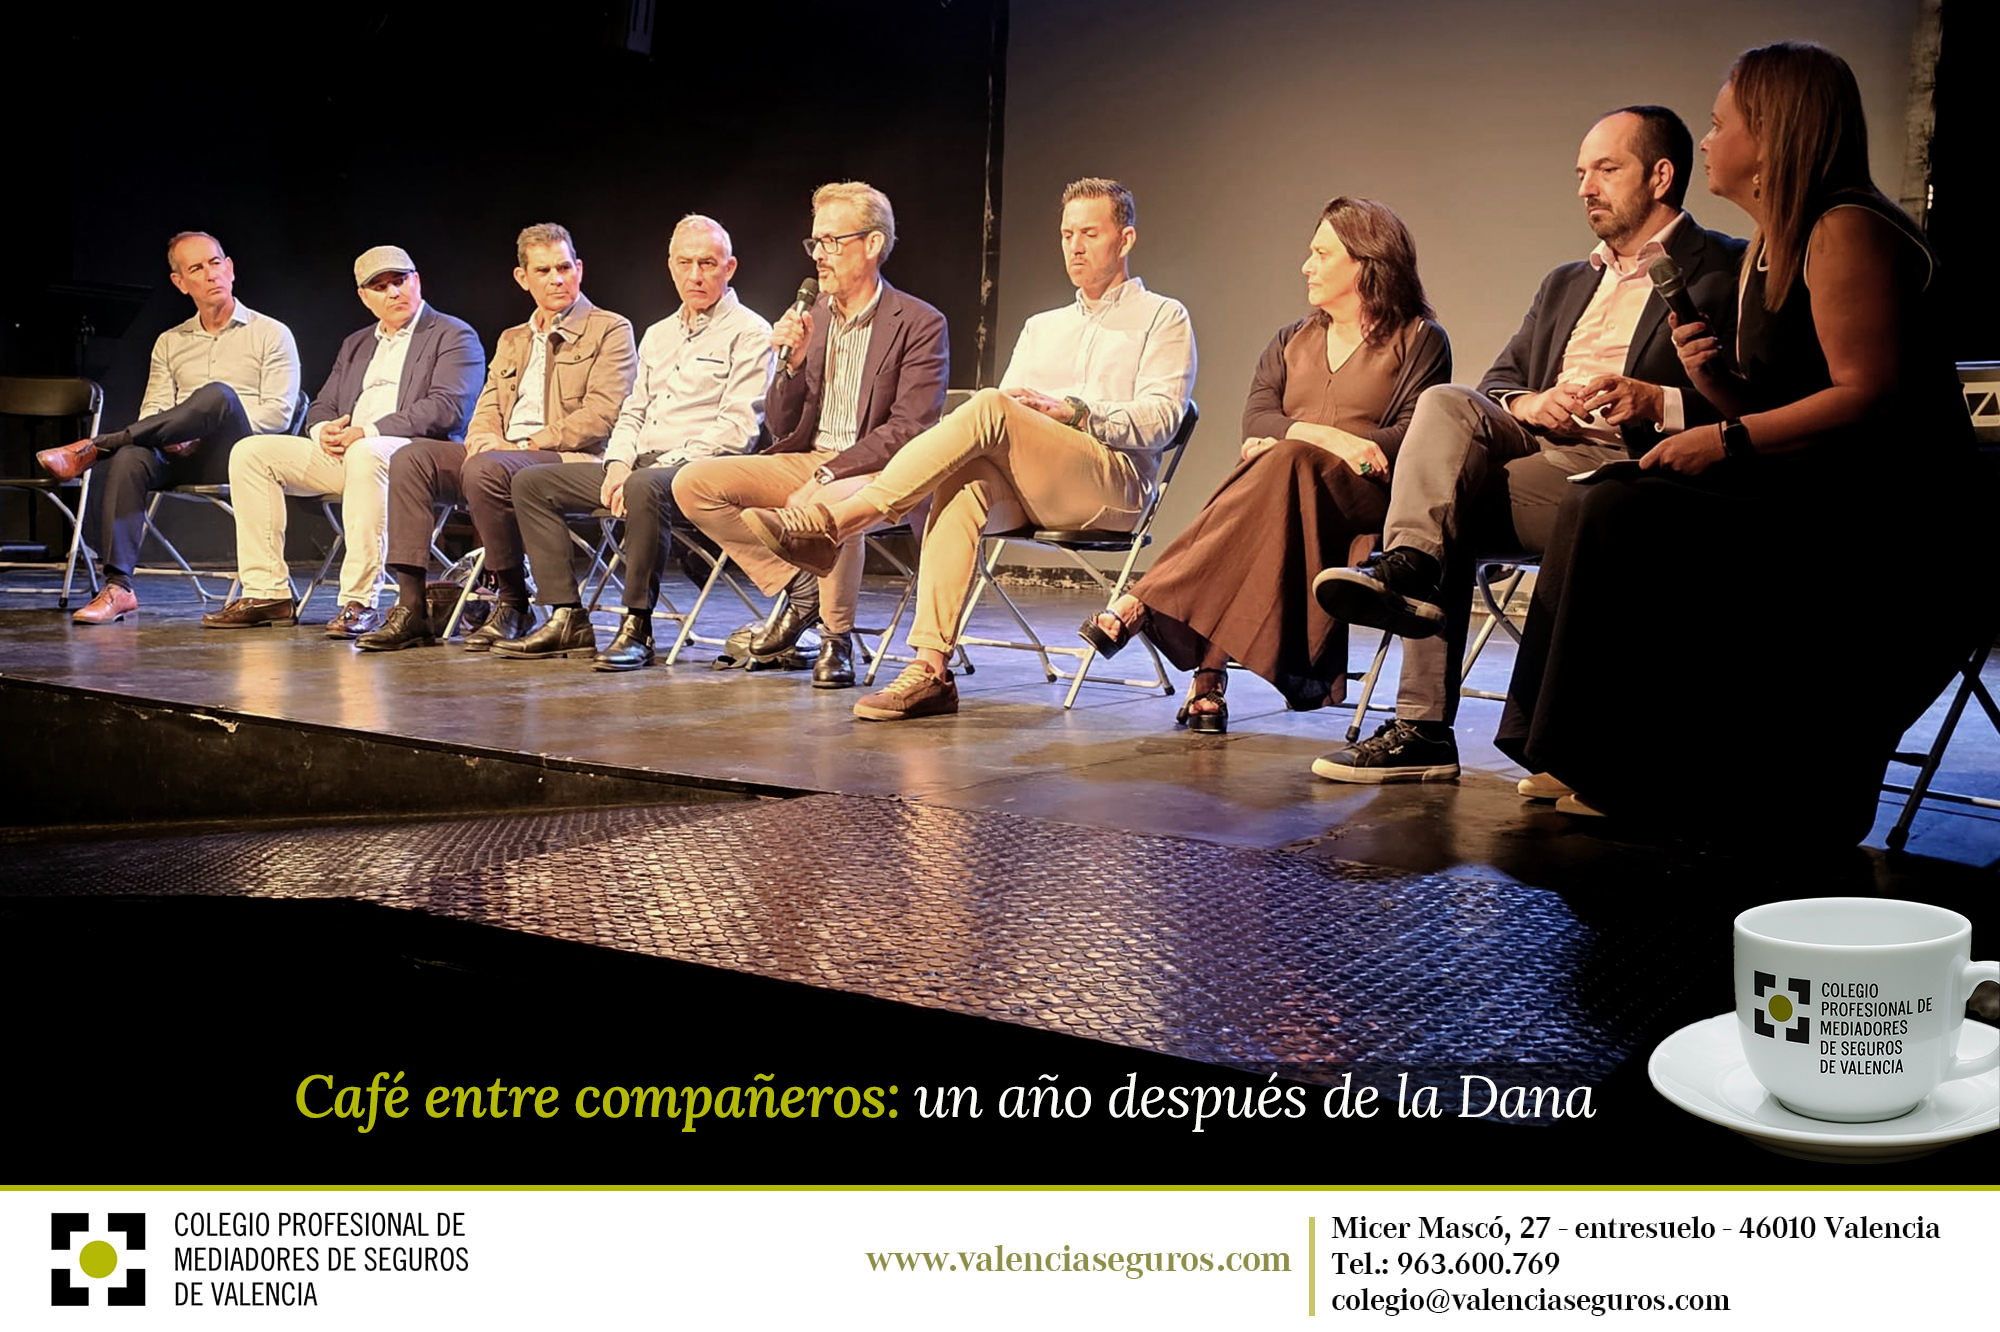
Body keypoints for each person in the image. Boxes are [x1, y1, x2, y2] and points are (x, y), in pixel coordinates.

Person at [1493, 42, 1998, 840]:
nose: (1708, 139)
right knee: (1607, 499)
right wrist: (1719, 381)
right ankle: (1583, 751)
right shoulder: (1773, 243)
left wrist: (1724, 439)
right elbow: (1790, 401)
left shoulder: (1846, 228)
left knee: (1622, 511)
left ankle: (1617, 760)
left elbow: (1868, 397)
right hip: (1811, 492)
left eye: (1720, 123)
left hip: (1890, 525)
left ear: (1771, 136)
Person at [1310, 107, 1744, 783]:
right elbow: (1499, 382)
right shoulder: (1567, 281)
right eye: (1580, 173)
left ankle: (1427, 711)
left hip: (1633, 470)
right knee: (1445, 405)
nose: (1585, 187)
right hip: (1541, 450)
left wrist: (1655, 401)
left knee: (1446, 510)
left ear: (1660, 176)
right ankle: (1410, 578)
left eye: (1606, 169)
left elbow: (1754, 401)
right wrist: (1533, 403)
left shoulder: (1726, 269)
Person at [738, 177, 1196, 721]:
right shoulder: (1043, 326)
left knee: (989, 405)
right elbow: (1007, 425)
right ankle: (930, 670)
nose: (1074, 246)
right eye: (1066, 234)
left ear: (1125, 239)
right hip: (1037, 486)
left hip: (1112, 487)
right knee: (964, 484)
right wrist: (1027, 416)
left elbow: (1164, 419)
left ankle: (838, 522)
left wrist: (1075, 411)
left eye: (1089, 234)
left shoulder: (1163, 316)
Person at [1077, 197, 1449, 733]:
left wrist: (1301, 442)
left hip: (1363, 500)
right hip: (1285, 495)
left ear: (1365, 261)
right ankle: (1203, 673)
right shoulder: (1290, 340)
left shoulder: (1418, 339)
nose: (1307, 266)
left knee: (1279, 462)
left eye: (1322, 254)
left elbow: (1412, 436)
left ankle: (1148, 609)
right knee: (1277, 475)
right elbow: (1256, 420)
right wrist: (1325, 437)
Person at [670, 182, 948, 688]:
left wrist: (828, 473)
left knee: (828, 505)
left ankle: (835, 638)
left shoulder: (919, 322)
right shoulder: (813, 315)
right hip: (809, 459)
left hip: (882, 472)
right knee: (693, 483)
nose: (819, 254)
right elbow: (780, 425)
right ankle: (800, 587)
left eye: (832, 241)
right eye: (815, 242)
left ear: (873, 244)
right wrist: (792, 367)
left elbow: (910, 428)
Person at [496, 216, 773, 670]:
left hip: (700, 471)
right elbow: (633, 412)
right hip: (639, 467)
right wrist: (618, 464)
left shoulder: (751, 332)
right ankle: (566, 616)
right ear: (671, 266)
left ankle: (637, 626)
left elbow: (737, 430)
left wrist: (658, 466)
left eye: (707, 263)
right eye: (685, 263)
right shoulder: (658, 334)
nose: (695, 275)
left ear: (730, 268)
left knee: (646, 487)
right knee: (532, 484)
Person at [356, 223, 637, 652]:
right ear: (523, 278)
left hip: (568, 458)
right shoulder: (512, 339)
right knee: (412, 458)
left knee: (488, 468)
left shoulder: (610, 329)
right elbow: (486, 406)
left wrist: (523, 445)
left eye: (564, 268)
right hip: (501, 458)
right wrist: (483, 438)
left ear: (579, 269)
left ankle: (514, 602)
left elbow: (603, 415)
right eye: (543, 271)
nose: (556, 279)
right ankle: (411, 608)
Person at [201, 245, 484, 636]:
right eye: (380, 287)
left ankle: (359, 600)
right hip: (352, 453)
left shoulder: (453, 334)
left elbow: (448, 407)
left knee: (366, 453)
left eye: (400, 281)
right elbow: (323, 404)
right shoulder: (356, 344)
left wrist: (368, 432)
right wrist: (324, 430)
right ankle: (268, 592)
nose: (394, 293)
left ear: (416, 281)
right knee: (251, 452)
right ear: (364, 297)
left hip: (417, 456)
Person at [37, 232, 300, 624]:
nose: (210, 274)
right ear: (180, 282)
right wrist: (174, 435)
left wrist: (204, 425)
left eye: (215, 263)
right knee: (131, 456)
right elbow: (153, 410)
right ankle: (119, 587)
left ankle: (99, 445)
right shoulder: (170, 342)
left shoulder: (271, 333)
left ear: (230, 268)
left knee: (218, 395)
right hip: (179, 452)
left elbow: (278, 414)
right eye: (197, 268)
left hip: (240, 455)